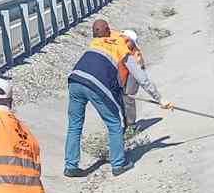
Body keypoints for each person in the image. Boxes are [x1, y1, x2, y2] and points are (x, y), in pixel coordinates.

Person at [65, 19, 167, 177]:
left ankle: (70, 166)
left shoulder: (96, 41)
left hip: (75, 79)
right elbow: (141, 77)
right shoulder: (120, 45)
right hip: (94, 84)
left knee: (74, 125)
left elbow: (102, 31)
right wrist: (160, 99)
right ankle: (118, 164)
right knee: (114, 124)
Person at [120, 28, 146, 131]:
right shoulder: (119, 45)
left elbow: (138, 70)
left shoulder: (135, 53)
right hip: (123, 72)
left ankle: (131, 125)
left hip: (134, 74)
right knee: (121, 98)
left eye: (127, 41)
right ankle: (124, 123)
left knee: (128, 97)